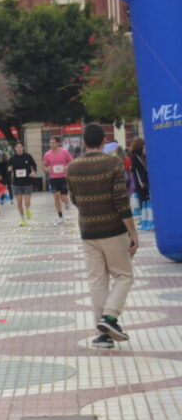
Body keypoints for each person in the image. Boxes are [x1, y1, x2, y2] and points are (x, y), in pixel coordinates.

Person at [67, 123, 139, 348]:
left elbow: (74, 199)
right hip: (113, 230)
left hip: (88, 231)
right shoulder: (112, 163)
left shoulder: (73, 166)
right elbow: (121, 200)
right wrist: (133, 232)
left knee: (97, 280)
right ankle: (109, 318)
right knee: (124, 276)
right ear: (104, 140)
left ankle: (104, 335)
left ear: (85, 141)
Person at [43, 136, 74, 224]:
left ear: (58, 143)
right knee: (56, 197)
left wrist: (67, 167)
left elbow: (71, 161)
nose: (51, 144)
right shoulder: (47, 154)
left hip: (63, 177)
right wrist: (46, 169)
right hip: (53, 179)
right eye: (50, 143)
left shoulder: (64, 152)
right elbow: (44, 165)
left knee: (63, 198)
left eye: (53, 143)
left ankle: (67, 201)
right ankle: (60, 217)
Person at [7, 142, 38, 226]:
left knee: (27, 201)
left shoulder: (28, 156)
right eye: (17, 147)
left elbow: (34, 165)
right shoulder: (12, 158)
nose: (19, 148)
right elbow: (8, 168)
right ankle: (22, 219)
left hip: (27, 181)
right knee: (19, 201)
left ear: (23, 148)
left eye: (20, 147)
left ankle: (27, 209)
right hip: (17, 183)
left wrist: (33, 172)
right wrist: (9, 169)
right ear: (15, 149)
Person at [129, 137, 149, 220]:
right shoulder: (135, 157)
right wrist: (141, 182)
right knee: (144, 199)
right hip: (141, 180)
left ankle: (146, 217)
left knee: (144, 199)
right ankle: (146, 218)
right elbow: (135, 170)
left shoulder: (141, 155)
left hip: (142, 180)